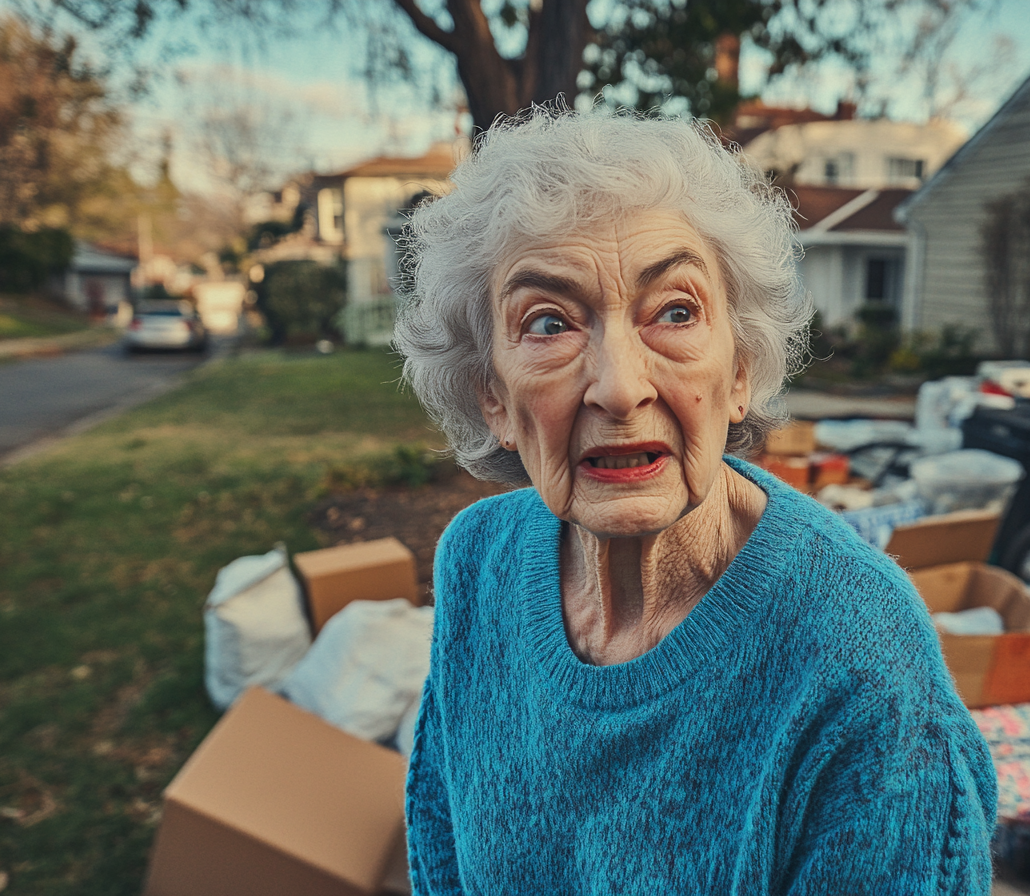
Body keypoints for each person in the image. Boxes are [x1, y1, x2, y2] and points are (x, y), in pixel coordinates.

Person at [394, 107, 996, 895]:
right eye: (548, 323)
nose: (620, 385)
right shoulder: (477, 560)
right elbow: (441, 850)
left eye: (674, 313)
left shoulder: (862, 668)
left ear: (740, 368)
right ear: (493, 398)